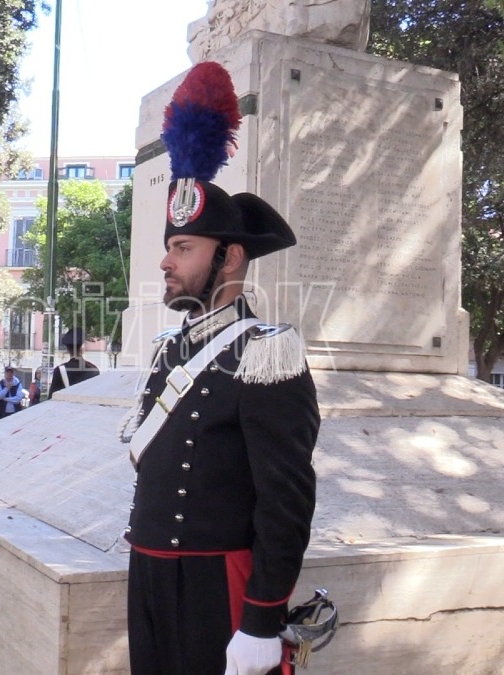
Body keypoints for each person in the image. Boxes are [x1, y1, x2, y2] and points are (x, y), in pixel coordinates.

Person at [120, 62, 320, 675]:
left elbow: (285, 502)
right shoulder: (164, 352)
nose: (166, 263)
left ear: (230, 256)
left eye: (182, 249)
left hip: (218, 585)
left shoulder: (267, 352)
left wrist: (262, 618)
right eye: (170, 248)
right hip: (149, 573)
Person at [48, 328, 100, 399]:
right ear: (82, 348)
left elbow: (52, 398)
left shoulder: (60, 370)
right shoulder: (94, 370)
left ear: (67, 349)